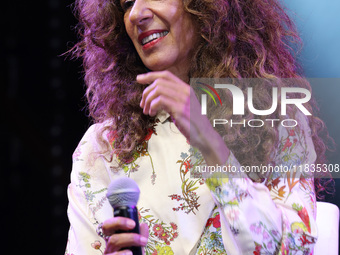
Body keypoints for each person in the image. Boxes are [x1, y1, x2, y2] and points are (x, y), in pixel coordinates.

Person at [65, 0, 331, 254]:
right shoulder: (100, 149)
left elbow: (293, 248)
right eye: (127, 4)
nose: (136, 14)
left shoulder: (275, 120)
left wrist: (207, 140)